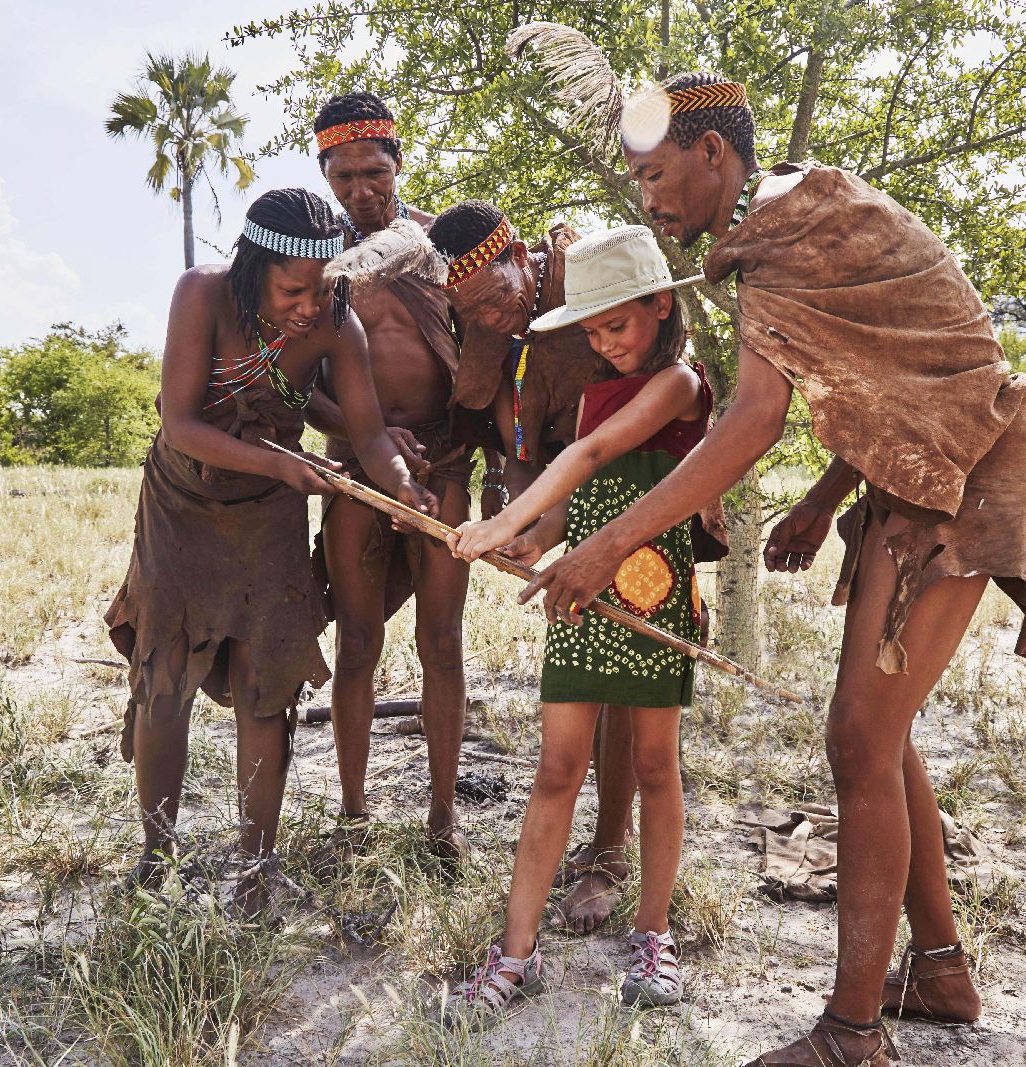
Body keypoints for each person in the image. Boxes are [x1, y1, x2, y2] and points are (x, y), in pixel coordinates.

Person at [521, 72, 1026, 1066]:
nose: (648, 202)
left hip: (969, 475)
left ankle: (851, 1033)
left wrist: (604, 545)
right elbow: (892, 359)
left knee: (859, 740)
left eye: (655, 177)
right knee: (878, 734)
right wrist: (826, 499)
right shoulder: (776, 228)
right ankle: (942, 970)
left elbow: (752, 420)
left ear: (710, 156)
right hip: (922, 475)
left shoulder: (785, 223)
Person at [104, 188, 436, 914]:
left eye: (324, 289)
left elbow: (372, 435)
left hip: (269, 522)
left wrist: (405, 487)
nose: (312, 306)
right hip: (181, 510)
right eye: (295, 289)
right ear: (254, 270)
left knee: (267, 684)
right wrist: (285, 464)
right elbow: (182, 425)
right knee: (166, 679)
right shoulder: (202, 295)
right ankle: (157, 853)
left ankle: (257, 865)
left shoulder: (336, 324)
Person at [439, 225, 710, 1026]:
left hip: (653, 593)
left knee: (658, 766)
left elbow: (592, 456)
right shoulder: (596, 389)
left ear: (662, 307)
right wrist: (529, 534)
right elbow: (575, 498)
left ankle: (653, 934)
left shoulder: (680, 385)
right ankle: (514, 954)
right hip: (582, 603)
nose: (605, 344)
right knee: (558, 767)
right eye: (591, 331)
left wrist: (502, 518)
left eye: (617, 326)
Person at [428, 201, 638, 931]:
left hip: (638, 503)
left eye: (492, 298)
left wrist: (569, 525)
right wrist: (525, 528)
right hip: (562, 510)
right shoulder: (492, 325)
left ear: (520, 253)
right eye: (468, 311)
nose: (485, 319)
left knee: (623, 684)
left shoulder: (592, 285)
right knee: (585, 676)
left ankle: (612, 848)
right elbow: (521, 444)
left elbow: (629, 428)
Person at [301, 92, 483, 862]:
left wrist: (470, 458)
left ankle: (442, 818)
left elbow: (486, 358)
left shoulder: (443, 249)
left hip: (439, 467)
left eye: (373, 171)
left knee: (442, 641)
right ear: (323, 173)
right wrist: (362, 435)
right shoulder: (316, 264)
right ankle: (351, 813)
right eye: (343, 178)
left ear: (398, 161)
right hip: (354, 477)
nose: (360, 190)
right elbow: (299, 387)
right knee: (358, 642)